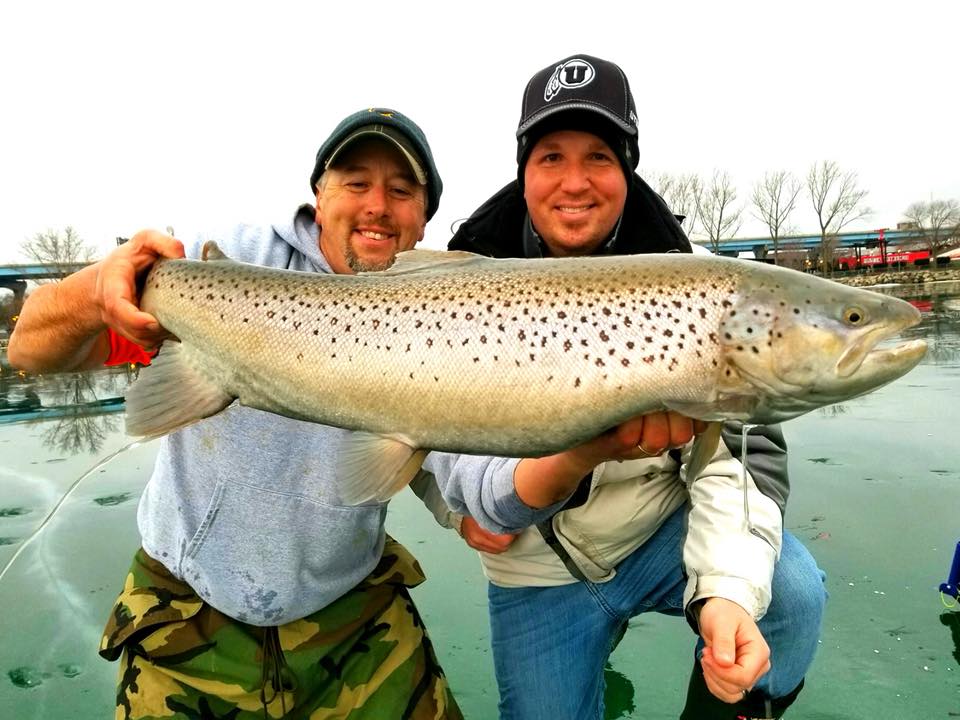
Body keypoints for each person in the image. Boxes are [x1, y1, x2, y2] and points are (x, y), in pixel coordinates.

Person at [8, 108, 463, 720]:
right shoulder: (220, 261)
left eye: (401, 190)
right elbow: (30, 348)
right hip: (187, 610)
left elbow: (458, 477)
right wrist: (95, 289)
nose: (378, 205)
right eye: (356, 182)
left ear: (424, 216)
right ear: (318, 196)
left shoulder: (443, 310)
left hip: (353, 610)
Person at [422, 54, 827, 720]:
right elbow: (394, 401)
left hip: (659, 537)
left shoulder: (701, 288)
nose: (574, 182)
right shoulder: (458, 280)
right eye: (550, 157)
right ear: (523, 172)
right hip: (535, 573)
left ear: (627, 170)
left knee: (793, 594)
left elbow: (745, 464)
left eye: (600, 157)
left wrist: (728, 590)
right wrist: (451, 505)